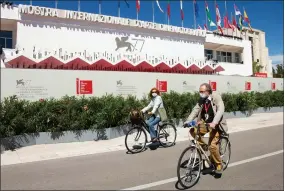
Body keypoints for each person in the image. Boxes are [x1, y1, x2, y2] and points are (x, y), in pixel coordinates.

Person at [184, 83, 228, 175]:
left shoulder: (216, 97)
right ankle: (204, 146)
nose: (200, 93)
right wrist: (188, 121)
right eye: (199, 91)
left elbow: (220, 110)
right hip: (206, 123)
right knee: (193, 131)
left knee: (212, 146)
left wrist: (214, 122)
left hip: (216, 125)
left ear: (208, 91)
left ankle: (219, 164)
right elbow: (195, 110)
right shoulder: (202, 100)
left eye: (202, 91)